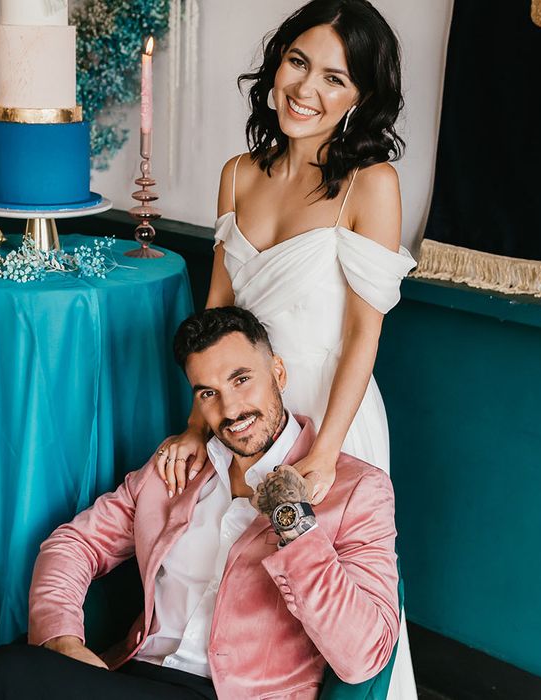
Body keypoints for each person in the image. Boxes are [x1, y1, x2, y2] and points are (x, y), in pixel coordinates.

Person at [0, 306, 401, 700]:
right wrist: (61, 639)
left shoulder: (357, 490)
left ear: (277, 372)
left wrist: (293, 522)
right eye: (209, 393)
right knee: (8, 672)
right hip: (138, 677)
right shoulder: (177, 470)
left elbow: (364, 657)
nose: (232, 409)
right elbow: (73, 544)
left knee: (5, 674)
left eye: (242, 380)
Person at [155, 1, 417, 696]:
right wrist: (194, 424)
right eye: (298, 63)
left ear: (362, 96)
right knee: (237, 567)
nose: (307, 90)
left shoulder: (372, 183)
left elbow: (366, 333)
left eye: (336, 78)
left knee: (325, 587)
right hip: (246, 399)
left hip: (333, 410)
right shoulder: (239, 172)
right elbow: (217, 313)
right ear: (276, 65)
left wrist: (327, 450)